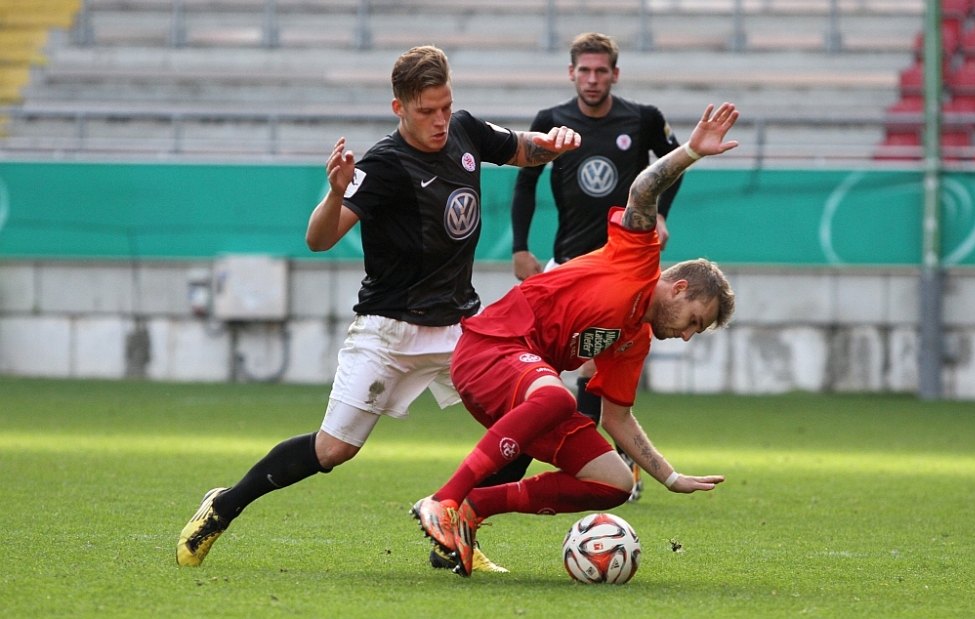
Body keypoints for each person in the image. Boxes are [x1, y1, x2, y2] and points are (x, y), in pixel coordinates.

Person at [175, 45, 580, 571]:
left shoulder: (465, 130)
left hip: (461, 328)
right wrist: (334, 194)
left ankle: (456, 533)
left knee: (525, 420)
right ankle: (223, 506)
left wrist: (554, 144)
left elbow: (523, 148)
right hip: (389, 330)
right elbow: (319, 239)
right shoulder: (384, 164)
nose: (440, 121)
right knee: (333, 450)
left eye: (445, 107)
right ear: (399, 108)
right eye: (426, 111)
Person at [413, 102, 739, 578]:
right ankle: (444, 500)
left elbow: (617, 418)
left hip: (523, 383)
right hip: (491, 347)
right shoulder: (638, 257)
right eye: (694, 320)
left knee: (614, 482)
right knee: (558, 398)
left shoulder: (634, 339)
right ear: (679, 288)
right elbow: (643, 190)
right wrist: (690, 151)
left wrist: (669, 477)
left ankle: (472, 509)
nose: (688, 335)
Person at [507, 33, 685, 501]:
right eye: (584, 70)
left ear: (615, 74)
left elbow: (673, 166)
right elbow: (525, 183)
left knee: (592, 370)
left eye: (600, 71)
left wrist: (661, 213)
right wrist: (521, 247)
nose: (592, 79)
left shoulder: (643, 119)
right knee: (539, 374)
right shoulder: (552, 120)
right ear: (571, 73)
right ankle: (596, 461)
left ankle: (597, 465)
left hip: (621, 273)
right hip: (568, 266)